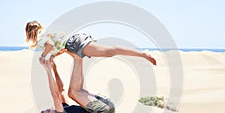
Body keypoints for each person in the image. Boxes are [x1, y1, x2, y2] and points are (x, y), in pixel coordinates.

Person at [25, 21, 157, 66]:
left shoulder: (42, 38)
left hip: (75, 44)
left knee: (110, 51)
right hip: (76, 40)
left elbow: (51, 46)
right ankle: (142, 54)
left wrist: (43, 56)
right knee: (109, 52)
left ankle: (142, 54)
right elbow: (59, 46)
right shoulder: (48, 33)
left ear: (30, 33)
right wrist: (54, 55)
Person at [40, 54, 115, 113]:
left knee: (76, 91)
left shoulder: (64, 110)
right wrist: (48, 70)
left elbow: (61, 90)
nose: (47, 109)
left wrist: (54, 68)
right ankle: (77, 57)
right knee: (73, 93)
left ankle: (78, 58)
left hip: (104, 107)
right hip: (103, 112)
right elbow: (55, 95)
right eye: (46, 112)